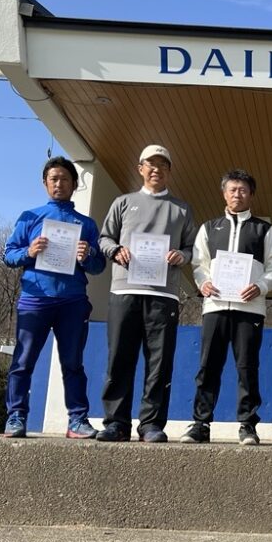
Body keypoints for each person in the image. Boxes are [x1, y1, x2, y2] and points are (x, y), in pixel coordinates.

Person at [97, 144, 197, 443]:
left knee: (159, 362)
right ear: (140, 168)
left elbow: (192, 248)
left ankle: (151, 424)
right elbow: (104, 238)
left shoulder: (181, 209)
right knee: (119, 359)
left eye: (162, 165)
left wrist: (182, 255)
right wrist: (116, 250)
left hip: (163, 295)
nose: (156, 169)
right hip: (124, 289)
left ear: (169, 171)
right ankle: (116, 423)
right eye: (150, 164)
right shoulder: (123, 202)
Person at [1, 156, 106, 439]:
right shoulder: (30, 216)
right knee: (23, 361)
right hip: (35, 298)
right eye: (54, 179)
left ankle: (77, 420)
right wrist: (29, 252)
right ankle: (15, 417)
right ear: (45, 183)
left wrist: (88, 256)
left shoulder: (86, 224)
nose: (59, 184)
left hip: (73, 300)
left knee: (73, 363)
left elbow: (98, 267)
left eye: (65, 179)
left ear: (74, 184)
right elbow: (8, 256)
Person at [181, 169, 272, 446]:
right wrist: (203, 283)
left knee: (247, 367)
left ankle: (247, 425)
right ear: (224, 193)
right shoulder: (209, 228)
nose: (237, 194)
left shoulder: (264, 229)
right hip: (215, 306)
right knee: (208, 366)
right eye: (232, 189)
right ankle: (201, 423)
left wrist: (260, 286)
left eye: (243, 190)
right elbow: (199, 264)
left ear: (251, 195)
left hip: (250, 309)